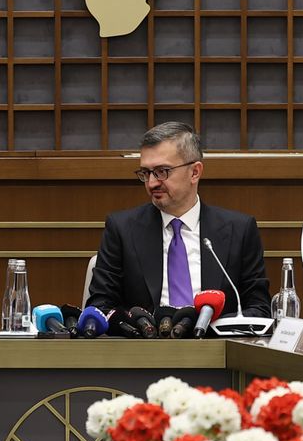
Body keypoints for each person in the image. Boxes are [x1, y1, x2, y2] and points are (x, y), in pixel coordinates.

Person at [87, 122, 270, 317]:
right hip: (147, 335)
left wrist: (210, 327)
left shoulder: (239, 230)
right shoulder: (122, 230)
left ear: (195, 172)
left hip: (213, 335)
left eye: (162, 171)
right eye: (146, 173)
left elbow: (259, 308)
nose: (152, 183)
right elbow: (100, 305)